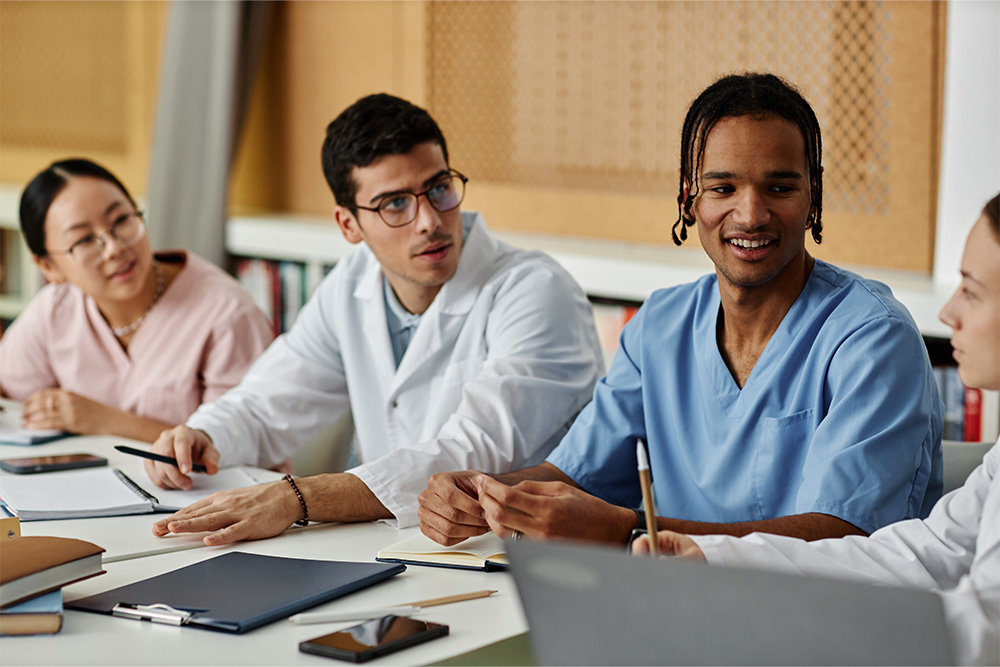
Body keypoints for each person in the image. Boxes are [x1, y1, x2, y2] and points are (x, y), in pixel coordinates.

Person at [419, 72, 943, 547]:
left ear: (813, 194)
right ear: (690, 196)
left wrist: (626, 529)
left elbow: (843, 539)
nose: (751, 214)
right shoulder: (660, 326)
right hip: (674, 608)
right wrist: (479, 488)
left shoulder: (873, 338)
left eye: (780, 187)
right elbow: (578, 476)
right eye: (723, 188)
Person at [145, 93, 604, 545]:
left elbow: (467, 455)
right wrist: (204, 434)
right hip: (398, 549)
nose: (428, 220)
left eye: (439, 188)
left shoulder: (537, 291)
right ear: (348, 225)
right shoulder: (352, 283)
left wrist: (297, 498)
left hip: (516, 557)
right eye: (395, 204)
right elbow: (271, 402)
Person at [634, 193, 1000, 667]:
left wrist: (793, 623)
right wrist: (713, 558)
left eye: (971, 291)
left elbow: (983, 632)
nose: (949, 312)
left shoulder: (869, 331)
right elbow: (922, 554)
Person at [0, 158, 273, 442]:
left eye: (121, 220)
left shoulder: (227, 312)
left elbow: (237, 447)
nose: (115, 248)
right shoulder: (55, 309)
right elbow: (9, 391)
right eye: (84, 240)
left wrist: (102, 420)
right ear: (48, 267)